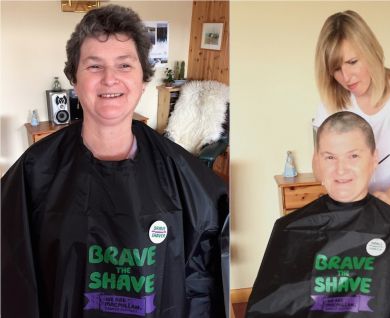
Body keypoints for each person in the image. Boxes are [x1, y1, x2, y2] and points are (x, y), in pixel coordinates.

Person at [1, 5, 228, 318]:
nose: (110, 79)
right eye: (94, 66)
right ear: (75, 80)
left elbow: (202, 284)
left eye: (124, 65)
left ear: (143, 80)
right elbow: (14, 279)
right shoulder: (34, 172)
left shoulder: (187, 180)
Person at [246, 111, 390, 317]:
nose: (341, 169)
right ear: (317, 162)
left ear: (374, 159)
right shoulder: (290, 230)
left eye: (353, 156)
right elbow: (268, 309)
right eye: (330, 157)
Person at [312, 10, 390, 236]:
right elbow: (319, 160)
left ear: (370, 51)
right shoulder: (331, 103)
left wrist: (387, 199)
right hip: (357, 224)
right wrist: (336, 186)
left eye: (352, 62)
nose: (347, 77)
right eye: (336, 69)